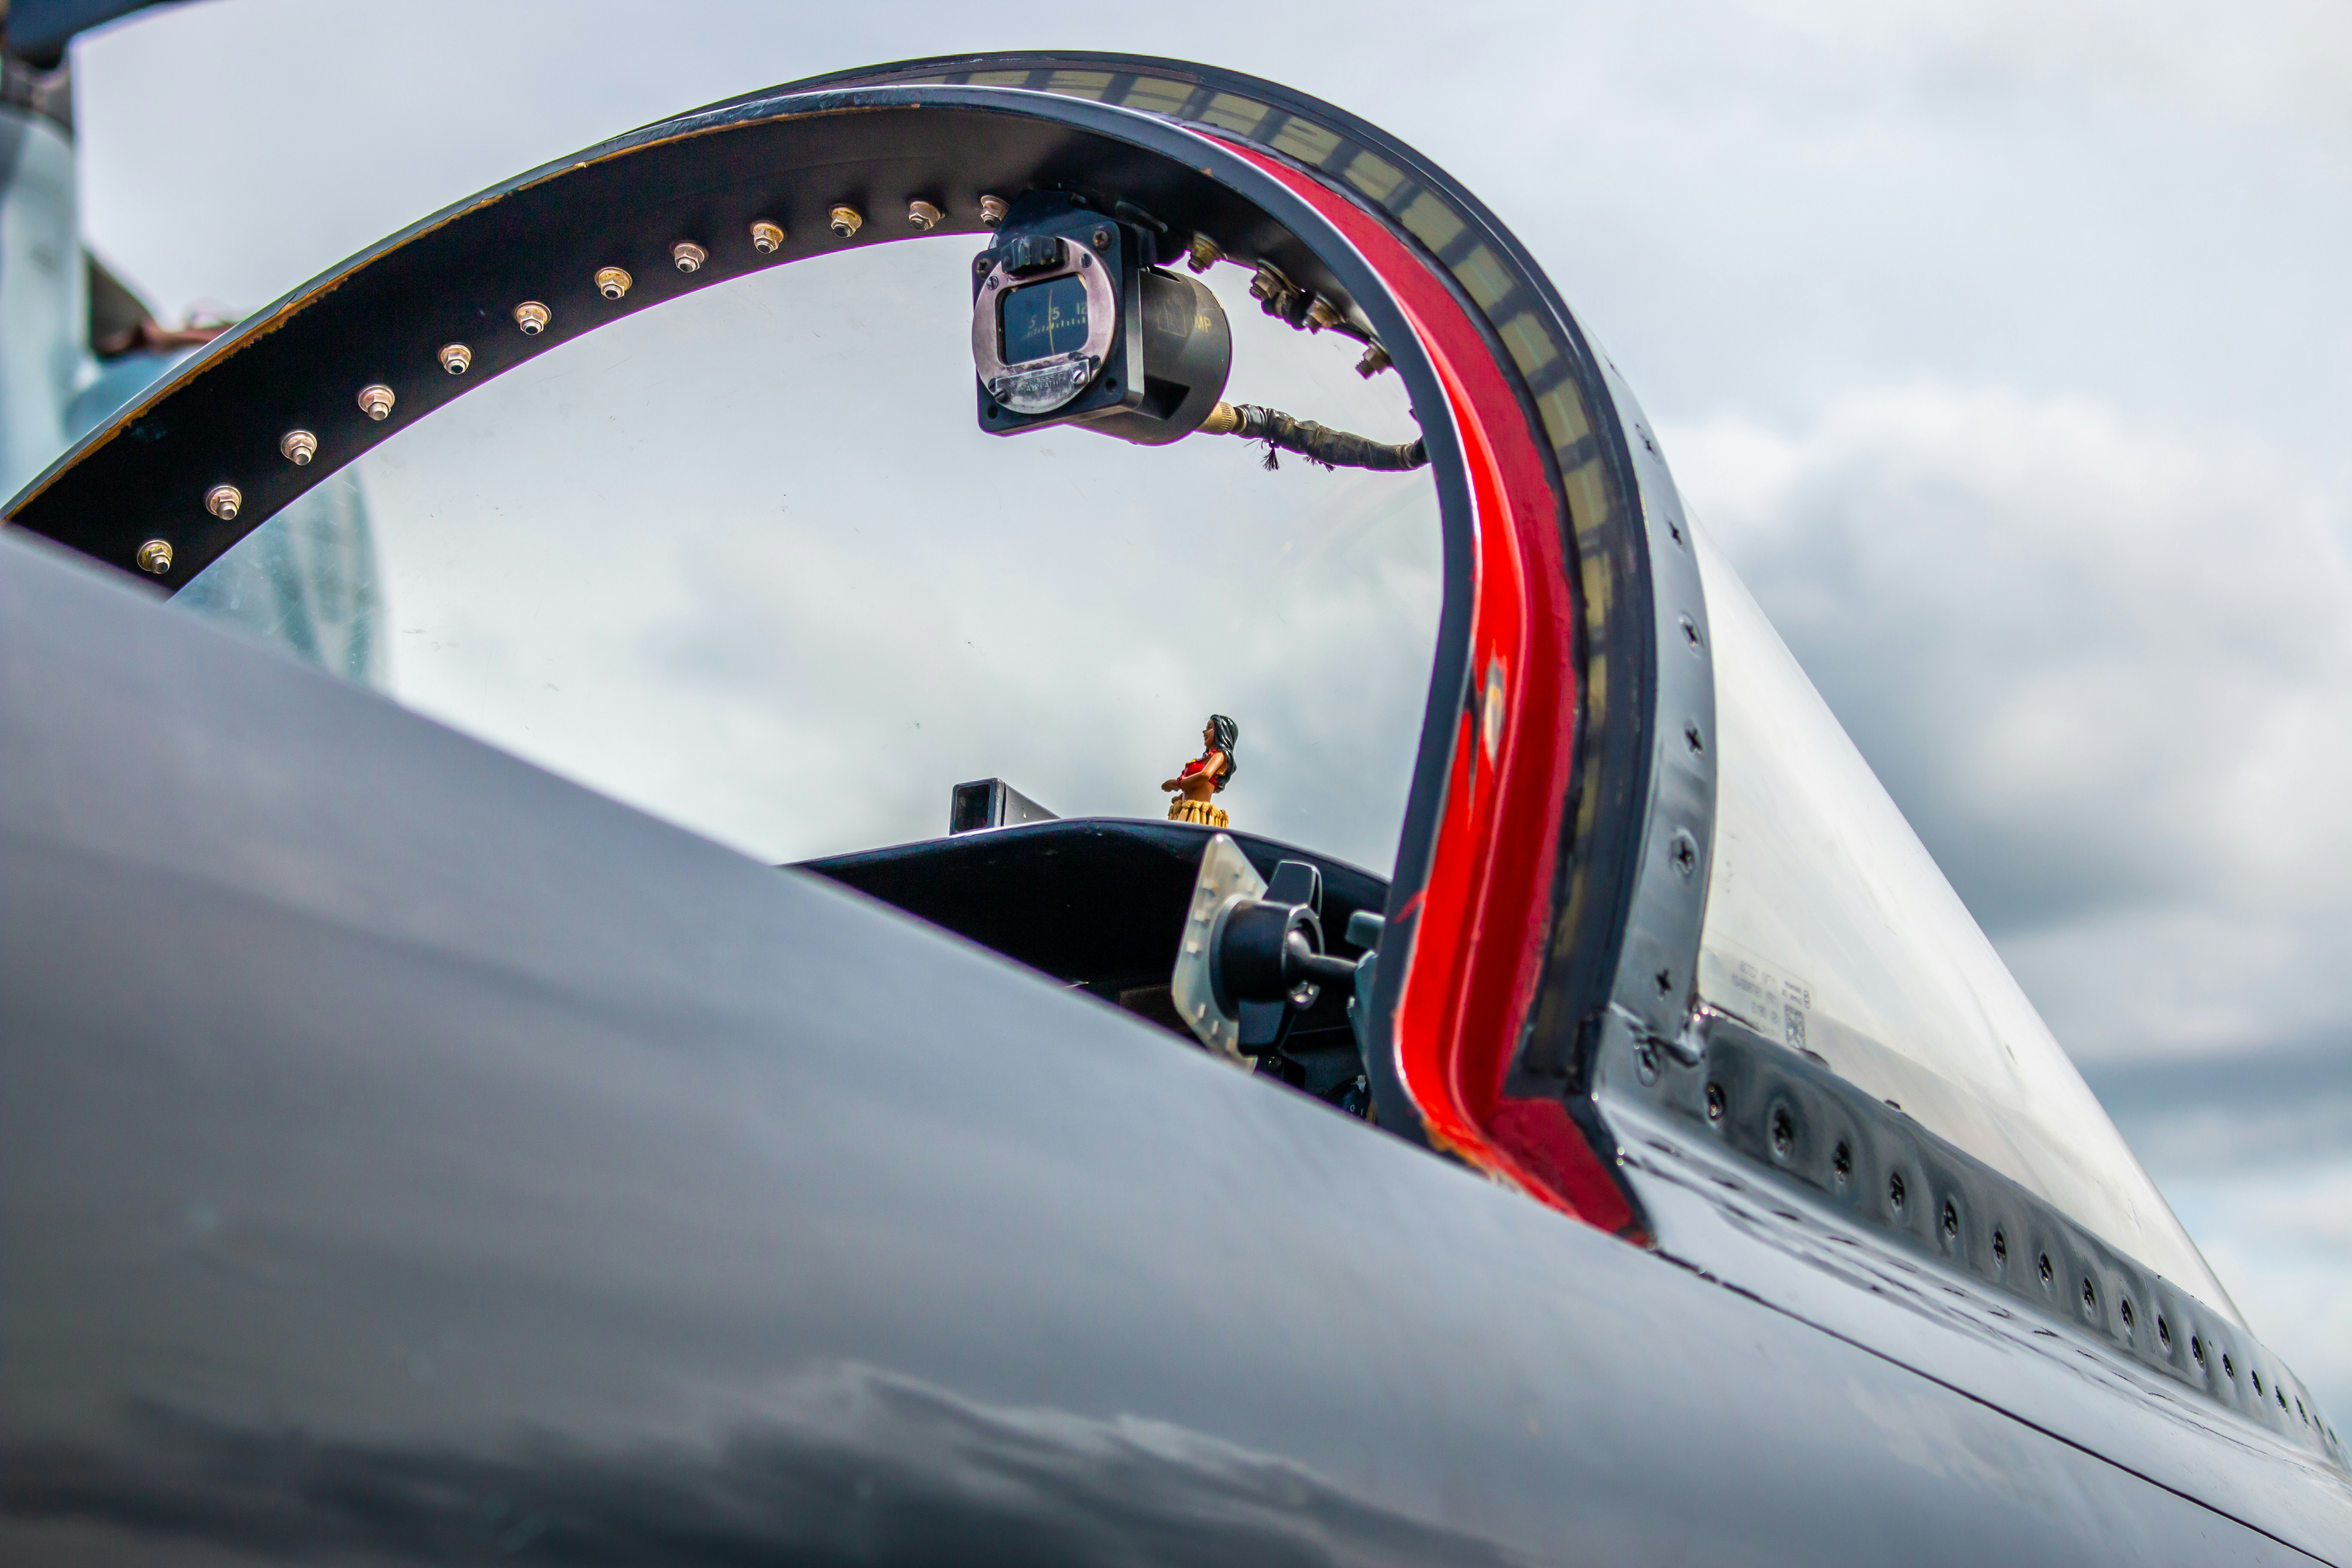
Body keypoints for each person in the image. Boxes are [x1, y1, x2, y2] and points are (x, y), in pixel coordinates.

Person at [1163, 714, 1238, 827]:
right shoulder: (1206, 758)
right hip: (1186, 809)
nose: (1205, 732)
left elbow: (1205, 775)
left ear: (1221, 733)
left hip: (1198, 812)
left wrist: (1177, 784)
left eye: (1210, 728)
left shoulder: (1220, 755)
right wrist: (1182, 797)